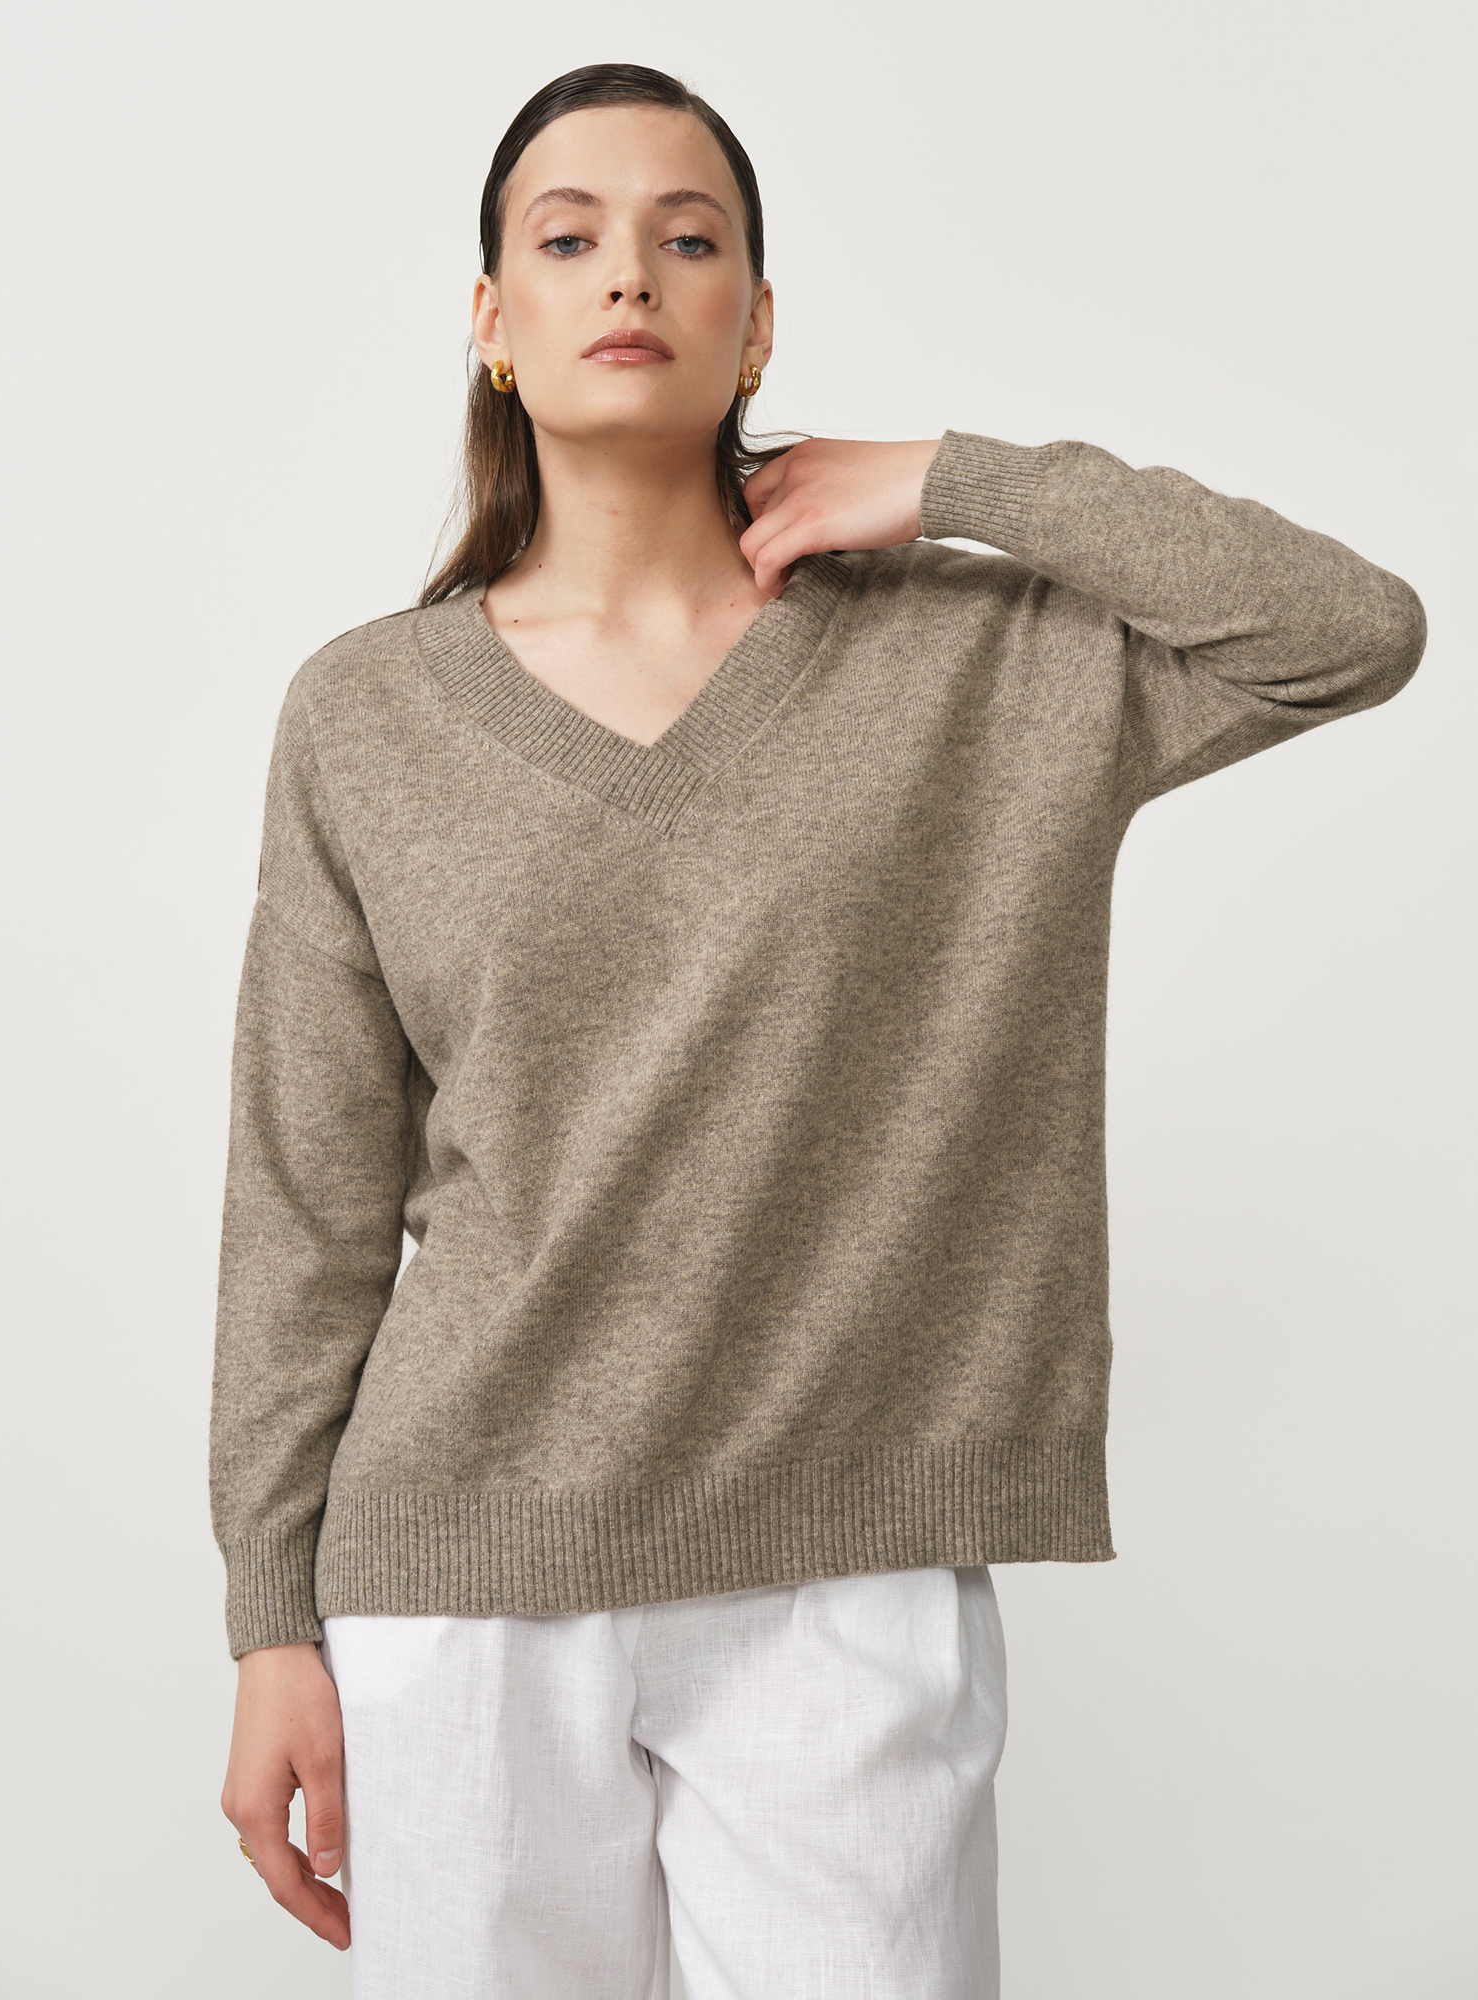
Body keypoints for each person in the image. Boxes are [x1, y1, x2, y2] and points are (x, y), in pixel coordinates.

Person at [210, 60, 1427, 2000]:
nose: (632, 273)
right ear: (494, 320)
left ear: (758, 323)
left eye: (689, 239)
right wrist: (273, 1611)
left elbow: (1349, 628)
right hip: (464, 1571)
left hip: (846, 1568)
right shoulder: (365, 713)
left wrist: (955, 478)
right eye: (570, 238)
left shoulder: (968, 658)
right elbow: (308, 1200)